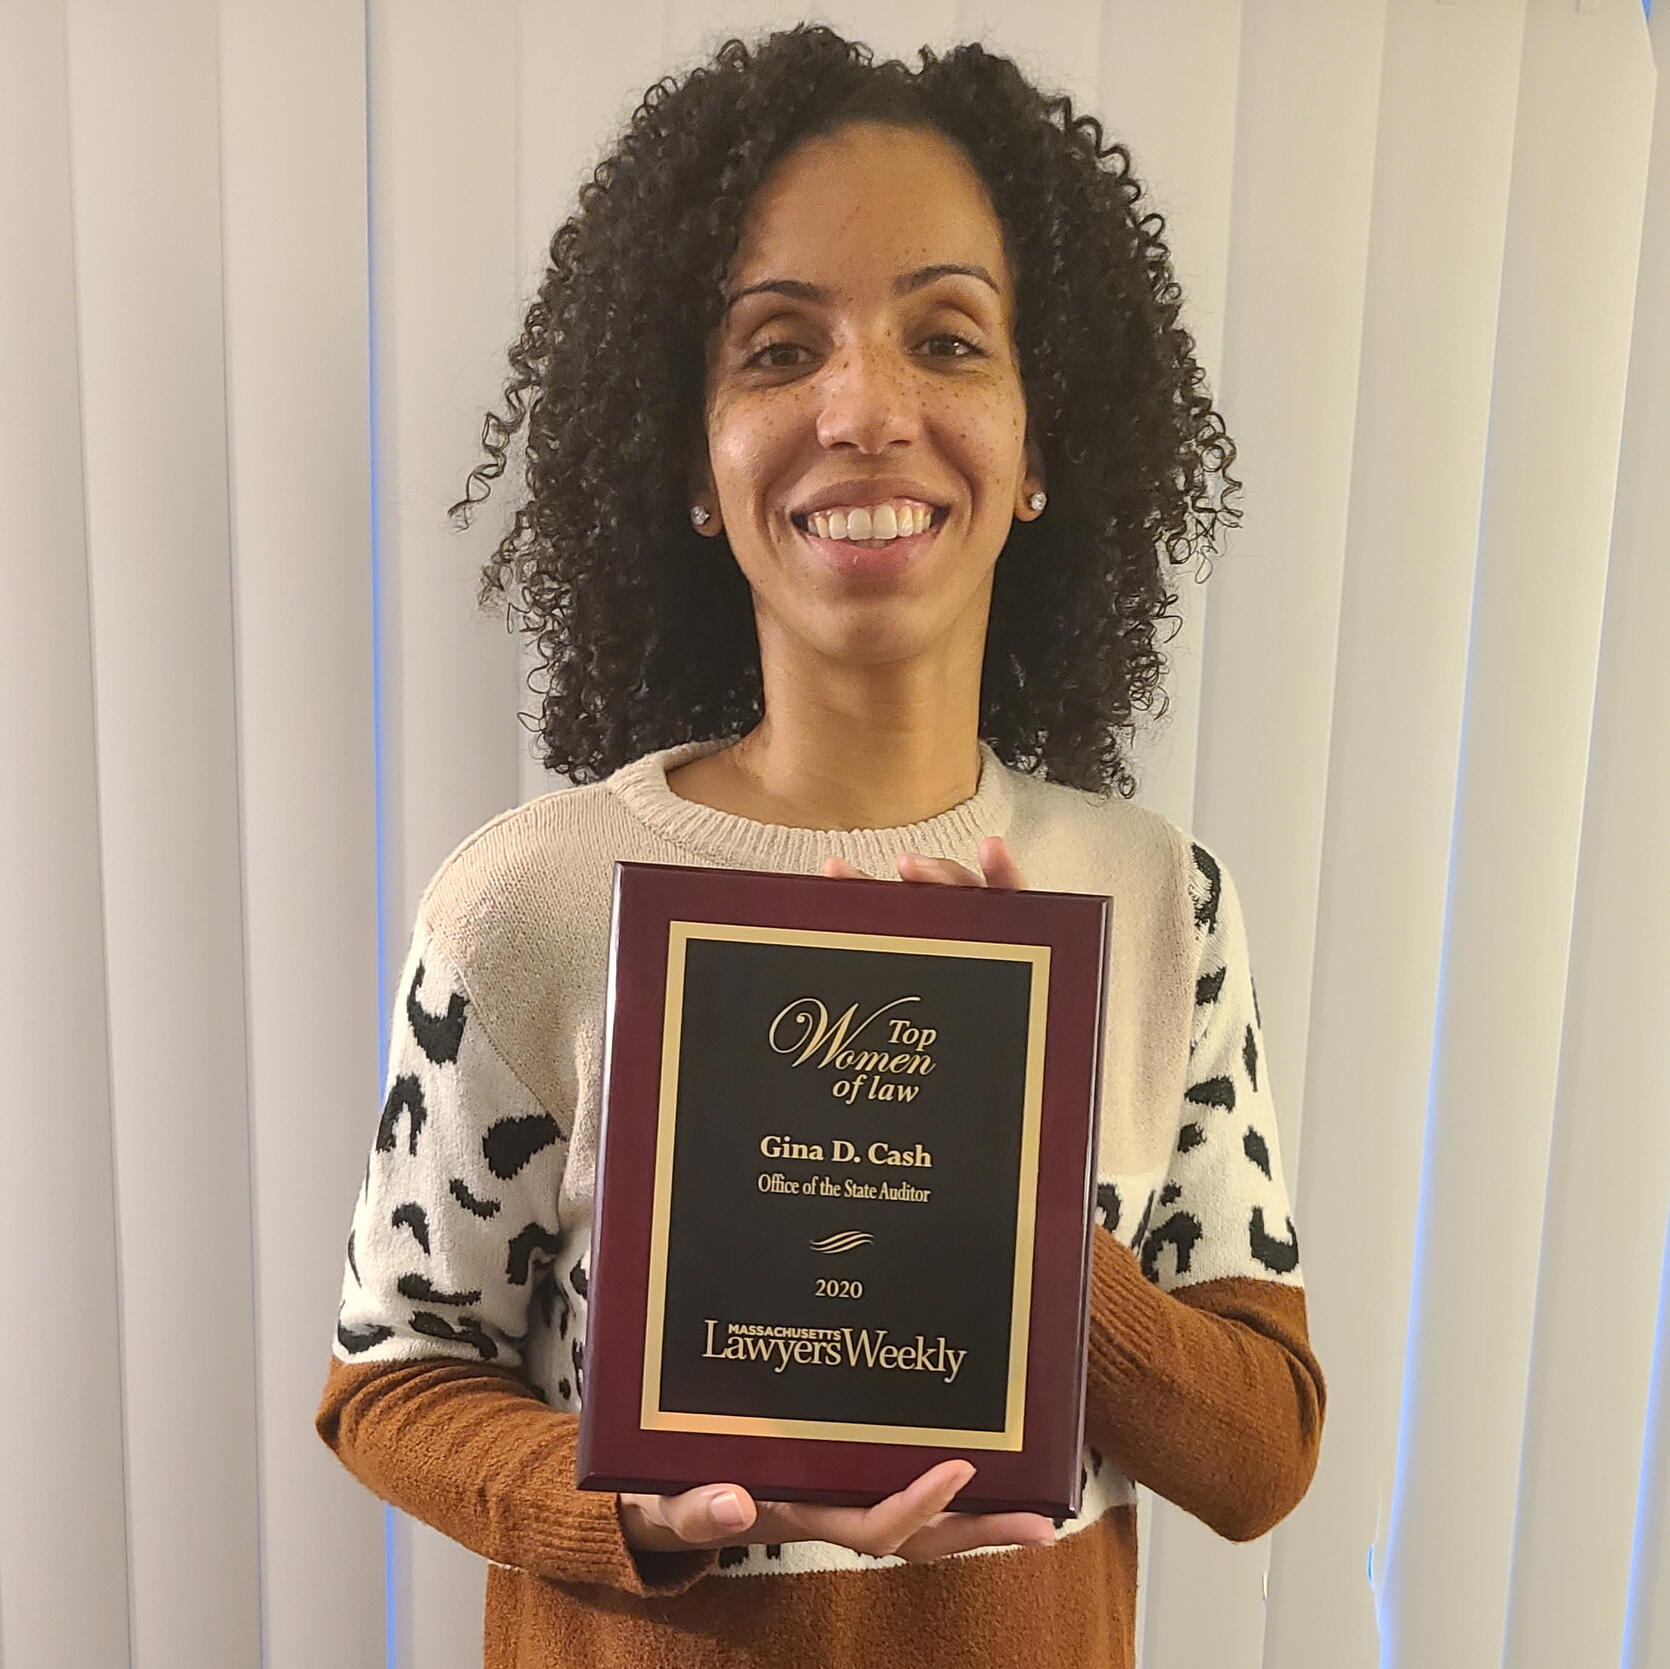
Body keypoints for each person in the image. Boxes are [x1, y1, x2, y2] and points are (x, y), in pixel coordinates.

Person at [315, 25, 1325, 1668]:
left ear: (1042, 442)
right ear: (696, 461)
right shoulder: (530, 902)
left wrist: (1012, 1215)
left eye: (947, 337)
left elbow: (1261, 1452)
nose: (865, 407)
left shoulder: (1155, 903)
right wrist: (634, 1512)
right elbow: (391, 1383)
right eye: (779, 349)